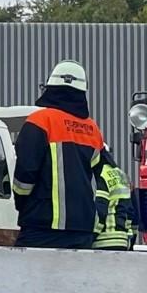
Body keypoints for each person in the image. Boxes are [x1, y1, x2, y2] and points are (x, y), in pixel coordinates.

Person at [11, 60, 106, 249]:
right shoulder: (92, 129)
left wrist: (22, 204)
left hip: (42, 226)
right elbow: (103, 177)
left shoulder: (40, 121)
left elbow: (25, 176)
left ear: (50, 88)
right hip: (83, 229)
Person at [92, 149, 135, 250]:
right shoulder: (121, 174)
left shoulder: (100, 174)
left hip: (103, 240)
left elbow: (100, 211)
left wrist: (91, 236)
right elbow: (131, 212)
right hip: (122, 240)